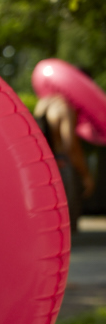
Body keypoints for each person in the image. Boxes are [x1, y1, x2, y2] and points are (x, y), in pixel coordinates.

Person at [35, 91, 95, 232]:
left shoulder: (42, 104)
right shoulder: (66, 108)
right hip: (64, 166)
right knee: (67, 223)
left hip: (46, 164)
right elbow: (70, 145)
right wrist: (86, 175)